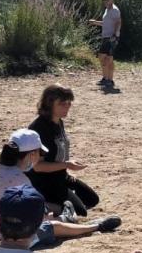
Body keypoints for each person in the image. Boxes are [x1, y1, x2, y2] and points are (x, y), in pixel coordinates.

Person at [0, 129, 121, 253]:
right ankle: (95, 226)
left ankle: (68, 218)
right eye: (39, 154)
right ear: (31, 154)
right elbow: (37, 222)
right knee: (50, 227)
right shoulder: (20, 179)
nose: (40, 158)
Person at [27, 84, 100, 218]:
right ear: (49, 104)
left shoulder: (58, 121)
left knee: (92, 199)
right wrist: (66, 164)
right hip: (44, 181)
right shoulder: (39, 128)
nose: (66, 107)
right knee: (80, 212)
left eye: (69, 103)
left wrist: (66, 166)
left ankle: (64, 197)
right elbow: (38, 167)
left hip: (60, 175)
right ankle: (45, 203)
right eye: (62, 104)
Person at [88, 0, 121, 88]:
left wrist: (115, 35)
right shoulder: (107, 10)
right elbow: (106, 23)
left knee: (108, 59)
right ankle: (105, 78)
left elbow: (118, 22)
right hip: (106, 37)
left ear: (112, 0)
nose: (105, 1)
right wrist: (95, 22)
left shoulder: (114, 10)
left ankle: (109, 80)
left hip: (112, 37)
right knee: (101, 57)